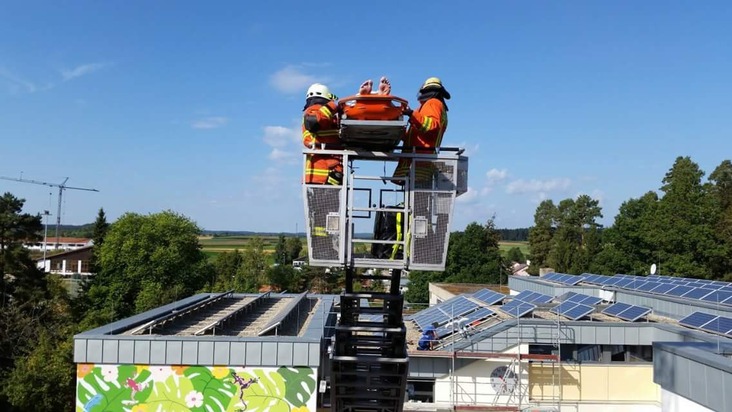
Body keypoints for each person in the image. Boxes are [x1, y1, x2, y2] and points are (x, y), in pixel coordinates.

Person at [393, 77, 450, 185]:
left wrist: (411, 114)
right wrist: (400, 132)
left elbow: (432, 125)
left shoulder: (433, 103)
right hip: (416, 160)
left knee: (418, 196)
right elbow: (417, 135)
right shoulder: (428, 106)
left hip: (419, 159)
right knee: (415, 196)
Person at [302, 83, 343, 185]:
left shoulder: (326, 115)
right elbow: (313, 121)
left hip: (326, 173)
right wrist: (332, 106)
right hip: (322, 174)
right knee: (327, 201)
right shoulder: (315, 109)